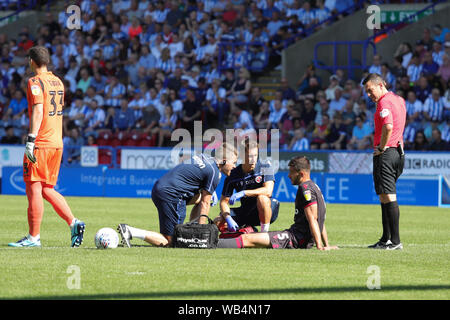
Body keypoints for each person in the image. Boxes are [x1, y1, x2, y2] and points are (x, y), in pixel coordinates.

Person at [8, 46, 85, 248]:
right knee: (46, 188)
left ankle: (34, 238)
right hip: (57, 143)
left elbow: (39, 110)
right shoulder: (58, 81)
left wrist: (31, 140)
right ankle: (74, 222)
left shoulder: (34, 81)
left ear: (31, 61)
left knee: (33, 188)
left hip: (41, 143)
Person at [117, 142, 238, 248]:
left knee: (204, 199)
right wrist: (203, 234)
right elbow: (205, 204)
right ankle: (130, 231)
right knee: (172, 241)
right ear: (223, 160)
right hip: (171, 195)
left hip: (160, 188)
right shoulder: (214, 172)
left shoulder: (205, 157)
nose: (234, 166)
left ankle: (193, 228)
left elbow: (200, 193)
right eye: (234, 162)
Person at [217, 156, 338, 251]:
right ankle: (244, 230)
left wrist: (319, 246)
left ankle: (211, 244)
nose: (288, 176)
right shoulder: (314, 186)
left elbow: (313, 219)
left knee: (248, 239)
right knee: (249, 238)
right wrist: (326, 245)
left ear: (301, 174)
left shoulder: (305, 189)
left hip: (294, 238)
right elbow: (320, 220)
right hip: (295, 237)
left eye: (291, 172)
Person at [363, 73, 406, 250]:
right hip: (398, 152)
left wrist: (381, 147)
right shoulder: (399, 99)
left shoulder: (384, 102)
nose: (369, 95)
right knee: (384, 196)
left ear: (381, 85)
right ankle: (385, 239)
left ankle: (395, 241)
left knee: (388, 195)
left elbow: (388, 126)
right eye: (366, 92)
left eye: (370, 90)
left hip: (387, 153)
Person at [214, 139, 280, 233]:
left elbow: (268, 191)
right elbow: (224, 202)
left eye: (255, 156)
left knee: (262, 198)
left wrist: (244, 192)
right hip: (246, 211)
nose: (253, 160)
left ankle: (264, 233)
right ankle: (248, 230)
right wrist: (228, 218)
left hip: (267, 209)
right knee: (218, 220)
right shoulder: (233, 174)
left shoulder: (265, 166)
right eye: (250, 156)